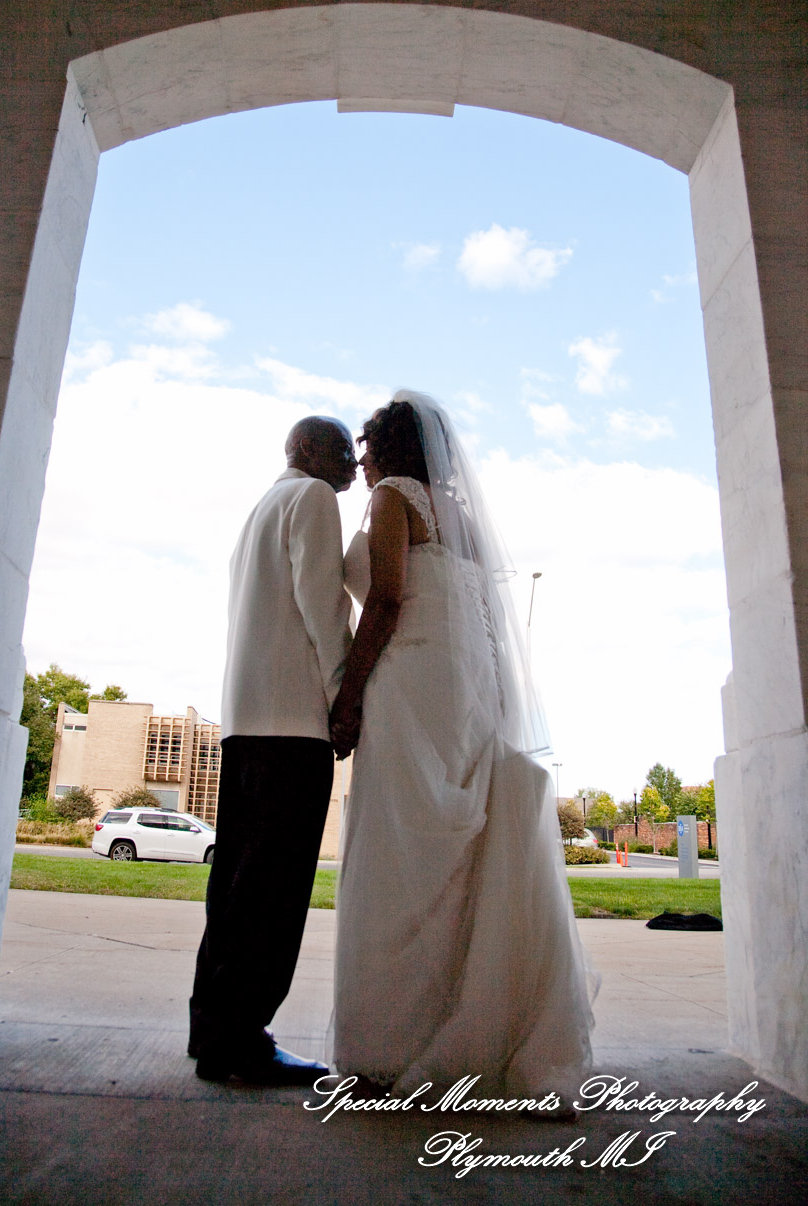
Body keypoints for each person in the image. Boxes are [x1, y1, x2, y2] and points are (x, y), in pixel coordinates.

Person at [329, 392, 594, 1100]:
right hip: (468, 692)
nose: (362, 460)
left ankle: (388, 1047)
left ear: (388, 447)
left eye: (367, 446)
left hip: (415, 685)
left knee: (398, 852)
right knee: (456, 857)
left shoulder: (393, 498)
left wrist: (348, 699)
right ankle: (456, 1025)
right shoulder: (464, 519)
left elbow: (385, 600)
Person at [189, 415, 357, 1084]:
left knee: (233, 887)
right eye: (342, 449)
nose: (351, 463)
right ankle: (242, 1041)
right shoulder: (310, 498)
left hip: (247, 723)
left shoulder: (263, 506)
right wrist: (344, 699)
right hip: (292, 725)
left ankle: (214, 1031)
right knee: (273, 892)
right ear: (308, 450)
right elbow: (322, 607)